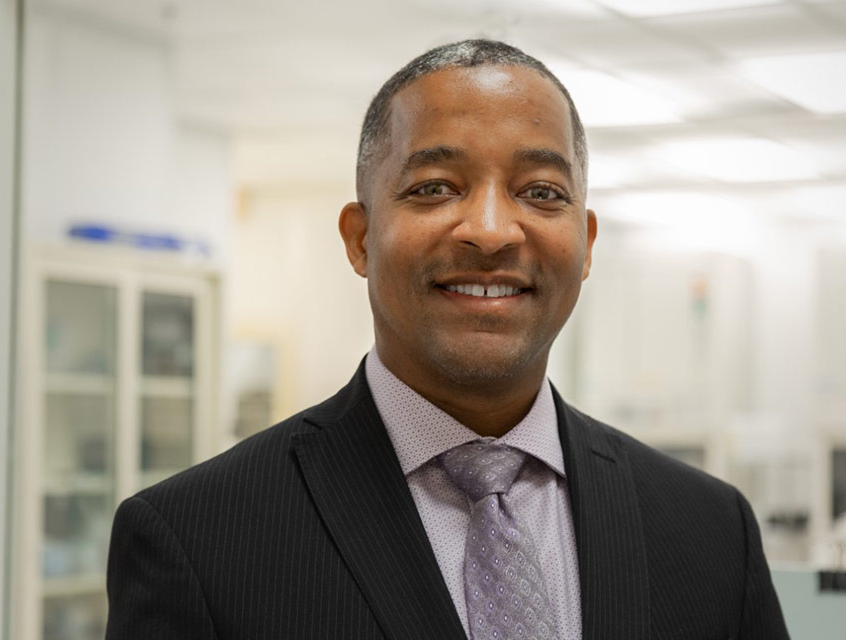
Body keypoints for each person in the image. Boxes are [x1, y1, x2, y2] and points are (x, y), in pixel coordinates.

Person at [105, 39, 789, 640]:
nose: (491, 231)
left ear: (585, 244)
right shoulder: (197, 541)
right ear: (360, 237)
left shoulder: (709, 531)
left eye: (542, 192)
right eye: (434, 187)